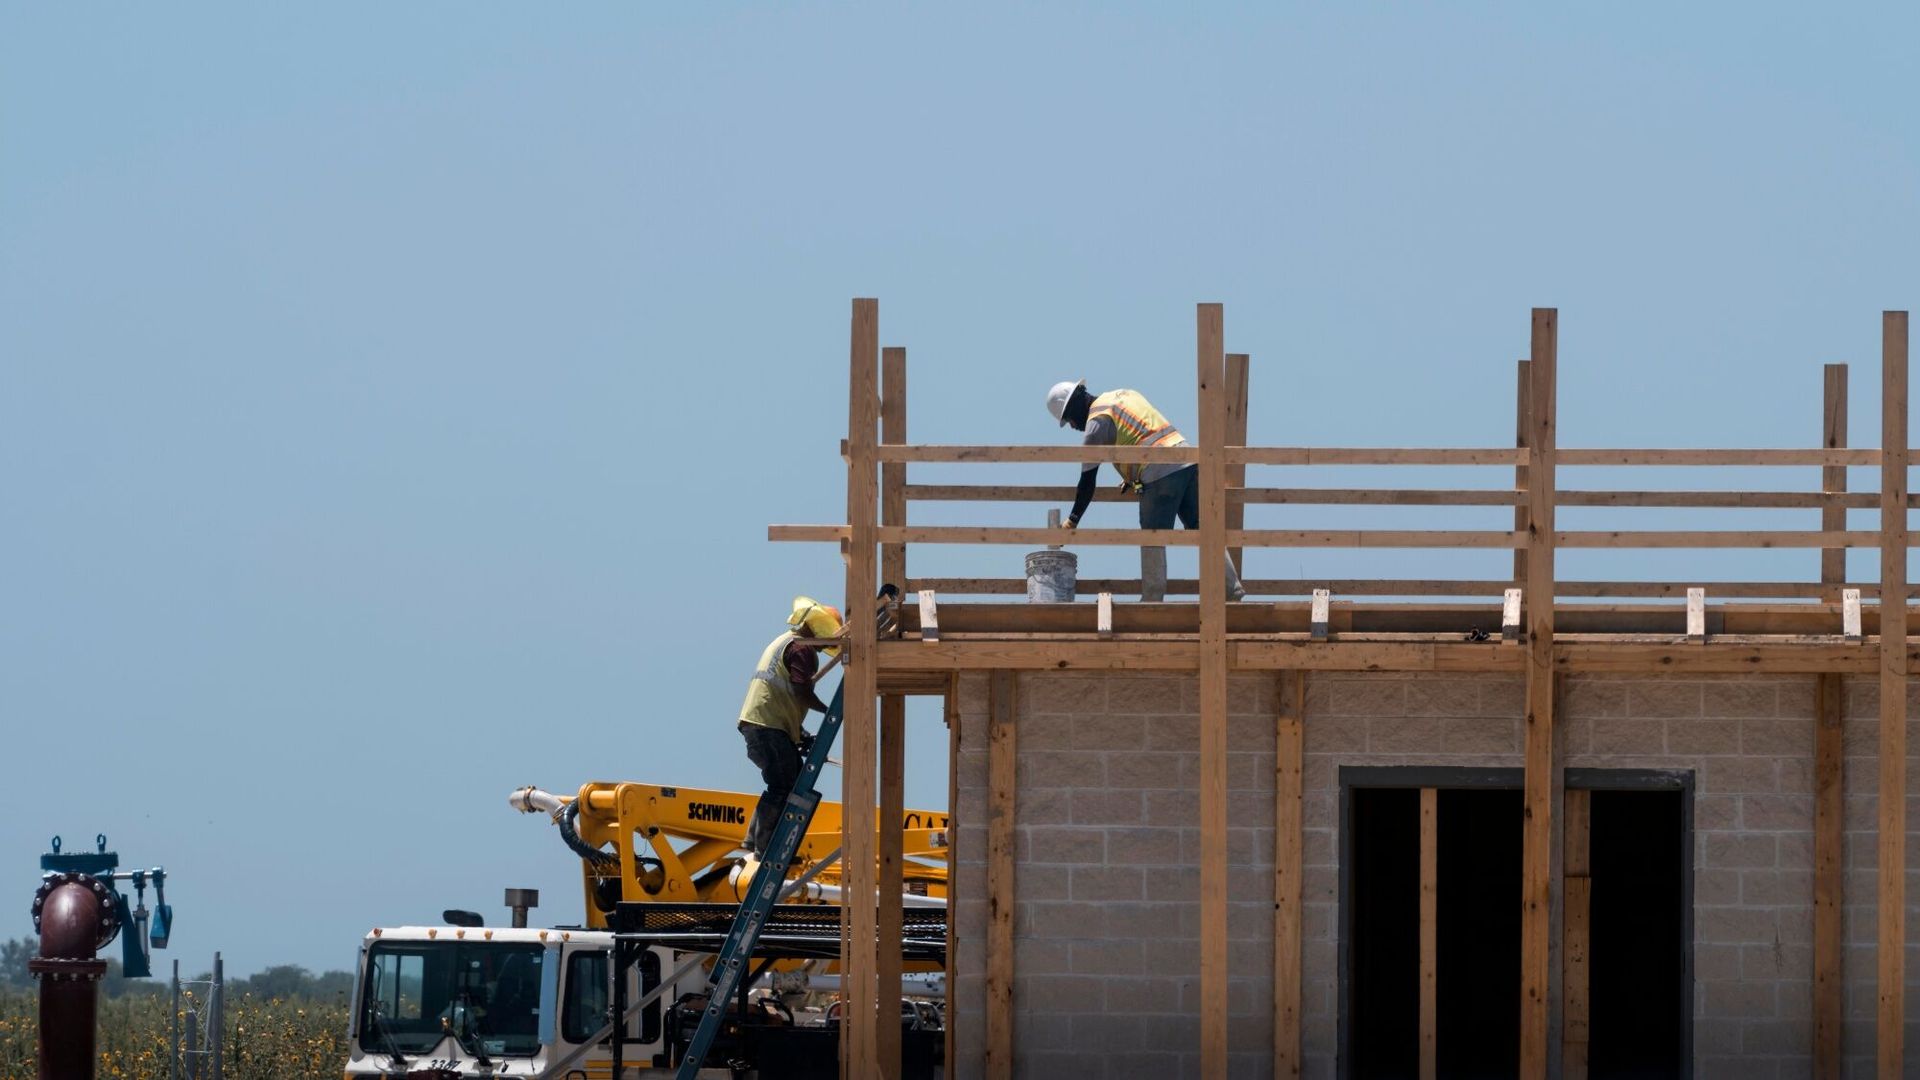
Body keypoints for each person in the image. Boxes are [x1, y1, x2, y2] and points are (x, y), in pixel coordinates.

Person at [1046, 379, 1246, 603]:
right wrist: (1131, 475)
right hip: (1187, 461)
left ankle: (1152, 600)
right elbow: (1141, 434)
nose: (1073, 426)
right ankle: (1232, 589)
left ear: (1075, 406)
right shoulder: (1122, 394)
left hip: (1159, 473)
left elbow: (1087, 483)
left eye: (1069, 419)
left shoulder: (1096, 425)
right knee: (1203, 529)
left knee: (1152, 536)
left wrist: (1072, 520)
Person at [736, 595, 843, 857]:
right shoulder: (802, 648)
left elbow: (783, 696)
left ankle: (753, 841)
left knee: (784, 780)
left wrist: (799, 733)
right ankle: (765, 848)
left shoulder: (787, 641)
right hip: (766, 726)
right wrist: (830, 712)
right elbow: (800, 692)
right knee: (784, 785)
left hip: (763, 724)